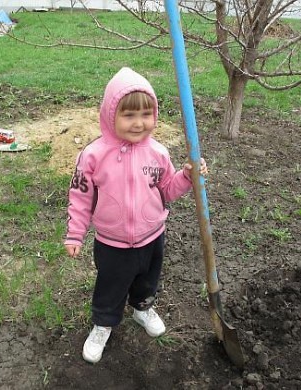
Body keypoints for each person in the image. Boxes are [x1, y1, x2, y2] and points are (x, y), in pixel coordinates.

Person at [64, 67, 208, 364]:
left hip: (151, 236)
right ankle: (103, 324)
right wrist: (75, 233)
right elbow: (80, 197)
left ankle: (142, 309)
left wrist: (187, 176)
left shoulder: (158, 153)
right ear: (110, 114)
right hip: (112, 242)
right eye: (129, 115)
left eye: (146, 114)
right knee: (111, 286)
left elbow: (167, 190)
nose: (139, 123)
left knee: (146, 281)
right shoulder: (93, 156)